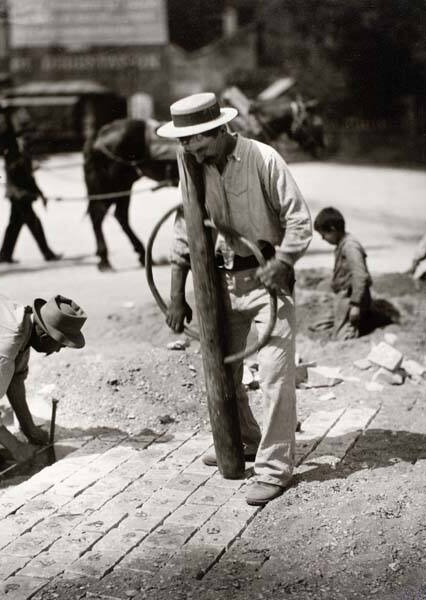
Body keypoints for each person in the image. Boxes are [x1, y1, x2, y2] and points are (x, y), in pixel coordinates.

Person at [157, 93, 312, 506]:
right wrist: (177, 295)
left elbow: (299, 219)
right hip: (220, 284)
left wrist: (283, 261)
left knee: (276, 374)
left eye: (195, 141)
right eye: (184, 142)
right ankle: (243, 440)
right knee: (223, 372)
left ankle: (275, 470)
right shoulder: (192, 168)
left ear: (218, 130)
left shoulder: (263, 159)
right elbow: (183, 230)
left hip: (268, 283)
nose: (188, 149)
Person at [0, 279, 87, 467]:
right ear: (44, 334)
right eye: (60, 343)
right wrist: (17, 448)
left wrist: (29, 428)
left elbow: (15, 380)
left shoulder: (21, 322)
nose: (58, 350)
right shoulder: (4, 347)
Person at [0, 98, 62, 264]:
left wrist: (38, 190)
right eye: (23, 137)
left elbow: (24, 173)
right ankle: (47, 253)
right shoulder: (13, 150)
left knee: (15, 224)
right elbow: (19, 173)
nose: (26, 140)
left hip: (18, 192)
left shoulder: (19, 152)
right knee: (33, 222)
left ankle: (4, 255)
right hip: (19, 193)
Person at [313, 206, 372, 339]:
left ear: (333, 229)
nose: (323, 238)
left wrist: (356, 305)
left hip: (352, 297)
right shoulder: (342, 243)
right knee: (320, 324)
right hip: (343, 295)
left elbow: (360, 275)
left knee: (341, 337)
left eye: (324, 234)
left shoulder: (350, 246)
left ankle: (358, 323)